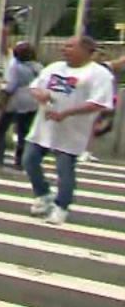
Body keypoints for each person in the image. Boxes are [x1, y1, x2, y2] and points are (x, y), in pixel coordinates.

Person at [23, 35, 115, 226]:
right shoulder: (55, 68)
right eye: (64, 45)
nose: (64, 49)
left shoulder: (99, 74)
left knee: (64, 170)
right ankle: (43, 194)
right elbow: (35, 87)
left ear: (86, 50)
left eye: (70, 46)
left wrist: (66, 113)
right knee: (29, 160)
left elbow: (98, 103)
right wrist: (41, 94)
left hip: (72, 132)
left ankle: (61, 207)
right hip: (44, 126)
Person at [0, 42, 41, 170]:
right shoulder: (38, 67)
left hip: (16, 101)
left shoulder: (15, 67)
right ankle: (20, 161)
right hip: (34, 101)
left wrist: (1, 102)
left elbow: (10, 87)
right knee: (24, 132)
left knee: (2, 129)